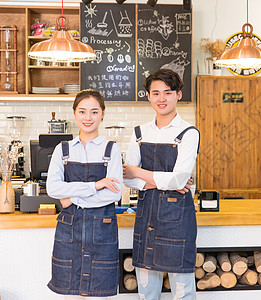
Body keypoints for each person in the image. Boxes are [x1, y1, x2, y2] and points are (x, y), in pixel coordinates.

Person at [123, 69, 200, 300]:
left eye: (167, 92)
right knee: (146, 288)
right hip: (146, 216)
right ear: (148, 96)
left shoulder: (189, 133)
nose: (161, 98)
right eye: (155, 93)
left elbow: (179, 178)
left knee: (182, 289)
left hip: (178, 220)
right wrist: (162, 181)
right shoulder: (139, 133)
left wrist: (139, 172)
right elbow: (127, 177)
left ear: (178, 94)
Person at [46, 89, 123, 299]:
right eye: (82, 111)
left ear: (103, 114)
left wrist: (72, 198)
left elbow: (114, 195)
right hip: (69, 229)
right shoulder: (62, 150)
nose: (87, 118)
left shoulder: (111, 149)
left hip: (102, 230)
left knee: (100, 293)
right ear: (74, 113)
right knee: (70, 292)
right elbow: (52, 188)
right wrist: (96, 186)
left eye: (94, 112)